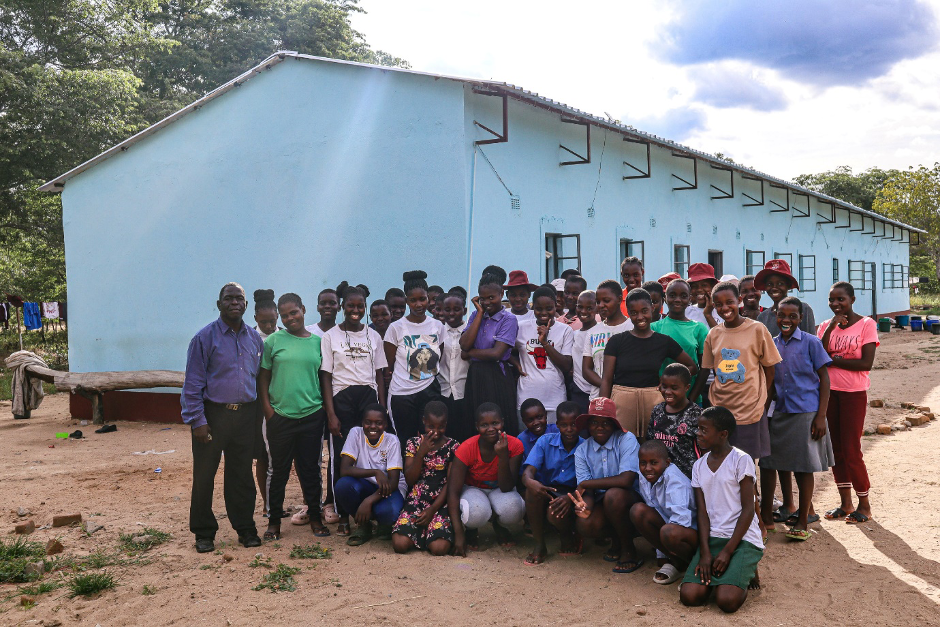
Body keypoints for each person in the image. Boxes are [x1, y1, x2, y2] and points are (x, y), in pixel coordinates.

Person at [182, 283, 264, 553]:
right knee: (204, 475)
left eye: (239, 298)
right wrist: (197, 420)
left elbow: (257, 380)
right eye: (228, 299)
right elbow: (192, 383)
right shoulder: (204, 338)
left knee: (241, 475)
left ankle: (245, 528)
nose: (234, 303)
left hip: (245, 416)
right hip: (213, 416)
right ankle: (204, 533)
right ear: (219, 304)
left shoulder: (255, 339)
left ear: (245, 305)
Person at [759, 297, 834, 540]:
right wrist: (763, 410)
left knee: (803, 467)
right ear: (775, 316)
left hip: (806, 412)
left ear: (800, 318)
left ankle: (803, 519)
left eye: (792, 316)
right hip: (779, 411)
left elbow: (825, 379)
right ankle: (767, 518)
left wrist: (821, 416)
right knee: (769, 462)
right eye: (782, 315)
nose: (786, 320)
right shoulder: (772, 343)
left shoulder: (811, 342)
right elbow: (770, 383)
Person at [259, 292, 330, 540]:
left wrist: (322, 410)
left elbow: (323, 377)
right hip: (280, 417)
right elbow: (263, 378)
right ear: (280, 316)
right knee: (278, 471)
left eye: (294, 312)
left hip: (312, 415)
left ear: (303, 309)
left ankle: (315, 518)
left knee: (310, 469)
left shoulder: (318, 342)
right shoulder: (273, 341)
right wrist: (269, 412)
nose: (291, 318)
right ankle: (274, 522)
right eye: (285, 315)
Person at [680, 407, 764, 613]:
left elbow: (748, 510)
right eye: (698, 429)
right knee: (690, 596)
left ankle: (744, 567)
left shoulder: (741, 460)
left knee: (726, 601)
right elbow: (702, 512)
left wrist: (727, 551)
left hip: (741, 538)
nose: (697, 434)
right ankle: (730, 574)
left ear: (723, 434)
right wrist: (706, 553)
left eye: (703, 430)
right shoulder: (698, 466)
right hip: (714, 538)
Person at [320, 282, 388, 536]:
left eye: (360, 306)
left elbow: (380, 374)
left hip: (368, 398)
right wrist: (331, 414)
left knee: (369, 454)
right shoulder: (331, 337)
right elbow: (326, 376)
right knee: (342, 456)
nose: (356, 310)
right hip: (342, 398)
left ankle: (369, 506)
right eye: (351, 306)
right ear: (342, 307)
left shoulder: (374, 336)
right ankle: (344, 514)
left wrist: (382, 407)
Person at [817, 282, 879, 524]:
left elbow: (866, 363)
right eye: (832, 300)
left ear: (852, 299)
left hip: (853, 394)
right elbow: (818, 355)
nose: (836, 304)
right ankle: (845, 503)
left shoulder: (867, 325)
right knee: (836, 450)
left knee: (852, 449)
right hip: (829, 393)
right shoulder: (825, 326)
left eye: (841, 299)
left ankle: (864, 505)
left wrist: (833, 360)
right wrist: (831, 328)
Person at [700, 281, 780, 461]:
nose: (725, 308)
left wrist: (762, 402)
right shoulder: (714, 334)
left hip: (749, 409)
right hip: (720, 408)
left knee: (746, 466)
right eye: (718, 305)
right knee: (723, 462)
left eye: (729, 302)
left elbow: (770, 370)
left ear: (740, 300)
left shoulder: (757, 329)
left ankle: (752, 491)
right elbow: (709, 368)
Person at [600, 288, 697, 437]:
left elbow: (692, 366)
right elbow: (606, 380)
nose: (640, 317)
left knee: (653, 448)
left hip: (653, 402)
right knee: (623, 446)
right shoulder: (616, 341)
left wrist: (667, 383)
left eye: (644, 311)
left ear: (652, 308)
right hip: (622, 402)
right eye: (634, 313)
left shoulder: (663, 341)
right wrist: (603, 412)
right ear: (628, 313)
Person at [569, 397, 643, 574]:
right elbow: (586, 491)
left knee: (614, 495)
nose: (599, 427)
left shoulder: (626, 439)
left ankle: (628, 548)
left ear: (614, 424)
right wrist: (585, 507)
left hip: (629, 498)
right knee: (586, 523)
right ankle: (616, 540)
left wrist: (586, 483)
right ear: (588, 425)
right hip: (603, 501)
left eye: (605, 422)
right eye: (594, 422)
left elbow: (626, 480)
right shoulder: (582, 450)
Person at [449, 403, 526, 554]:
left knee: (513, 509)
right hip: (473, 489)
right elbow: (453, 491)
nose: (491, 428)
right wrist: (458, 533)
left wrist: (503, 456)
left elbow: (506, 487)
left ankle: (499, 525)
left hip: (499, 488)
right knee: (476, 512)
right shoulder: (466, 448)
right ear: (477, 427)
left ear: (502, 422)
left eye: (495, 423)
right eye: (484, 424)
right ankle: (471, 529)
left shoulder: (515, 445)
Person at [384, 271, 446, 447]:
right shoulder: (395, 328)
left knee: (432, 441)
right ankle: (403, 475)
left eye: (423, 299)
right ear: (406, 300)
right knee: (404, 442)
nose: (419, 304)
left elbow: (438, 357)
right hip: (402, 395)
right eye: (413, 300)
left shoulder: (437, 326)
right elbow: (389, 365)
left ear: (428, 298)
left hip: (430, 391)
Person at [392, 401, 459, 555]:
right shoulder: (413, 443)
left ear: (446, 424)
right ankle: (424, 533)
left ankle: (432, 533)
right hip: (417, 498)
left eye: (441, 427)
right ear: (423, 421)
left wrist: (433, 509)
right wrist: (421, 453)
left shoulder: (453, 446)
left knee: (439, 549)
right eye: (430, 427)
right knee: (399, 545)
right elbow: (409, 479)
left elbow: (451, 483)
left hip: (440, 501)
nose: (435, 432)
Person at [522, 403, 584, 564]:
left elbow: (587, 483)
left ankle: (566, 534)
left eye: (574, 424)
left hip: (574, 493)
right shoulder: (545, 441)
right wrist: (530, 481)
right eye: (564, 425)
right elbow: (528, 472)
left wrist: (570, 498)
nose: (569, 429)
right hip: (549, 489)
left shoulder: (585, 446)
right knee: (531, 490)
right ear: (557, 425)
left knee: (554, 513)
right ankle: (539, 544)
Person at [336, 404, 407, 546]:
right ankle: (364, 526)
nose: (373, 426)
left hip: (388, 490)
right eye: (368, 422)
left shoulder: (392, 441)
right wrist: (376, 472)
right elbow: (344, 469)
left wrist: (368, 501)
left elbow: (393, 483)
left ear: (385, 425)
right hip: (365, 485)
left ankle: (384, 525)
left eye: (378, 423)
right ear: (362, 423)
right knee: (343, 486)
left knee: (390, 511)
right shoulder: (355, 433)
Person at [630, 440, 698, 585]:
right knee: (638, 511)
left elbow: (682, 522)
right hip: (669, 529)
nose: (647, 468)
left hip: (691, 533)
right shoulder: (644, 476)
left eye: (654, 463)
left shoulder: (674, 480)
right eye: (643, 463)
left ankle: (694, 565)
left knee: (669, 532)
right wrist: (662, 553)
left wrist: (667, 545)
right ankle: (676, 562)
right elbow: (654, 509)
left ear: (667, 462)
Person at [460, 273, 519, 435]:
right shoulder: (475, 315)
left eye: (491, 297)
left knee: (498, 423)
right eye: (483, 299)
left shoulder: (509, 319)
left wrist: (471, 353)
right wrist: (479, 314)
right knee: (476, 423)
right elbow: (464, 344)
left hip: (497, 375)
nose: (487, 303)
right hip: (476, 375)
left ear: (501, 295)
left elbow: (496, 353)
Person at [515, 285, 574, 426]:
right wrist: (516, 363)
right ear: (532, 307)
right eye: (538, 309)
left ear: (556, 307)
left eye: (549, 308)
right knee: (527, 442)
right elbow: (504, 350)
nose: (544, 313)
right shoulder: (521, 327)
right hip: (526, 396)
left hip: (555, 397)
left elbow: (566, 365)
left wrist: (545, 343)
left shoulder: (565, 330)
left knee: (554, 442)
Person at [652, 279, 708, 404]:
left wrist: (690, 400)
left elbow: (704, 369)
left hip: (690, 399)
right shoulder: (654, 328)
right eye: (672, 295)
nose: (677, 299)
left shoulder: (699, 329)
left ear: (689, 299)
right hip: (660, 399)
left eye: (683, 296)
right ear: (665, 298)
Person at [647, 363, 703, 478]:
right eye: (664, 386)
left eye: (674, 388)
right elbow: (650, 441)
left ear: (687, 387)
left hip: (687, 478)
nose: (667, 391)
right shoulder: (657, 410)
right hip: (660, 477)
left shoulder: (696, 415)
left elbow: (704, 450)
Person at [252, 288, 279, 517]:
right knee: (263, 455)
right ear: (255, 319)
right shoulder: (250, 338)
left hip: (284, 403)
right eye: (264, 322)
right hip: (258, 406)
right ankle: (266, 502)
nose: (269, 327)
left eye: (272, 321)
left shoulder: (285, 335)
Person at [582, 280, 632, 400]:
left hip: (625, 396)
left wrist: (617, 388)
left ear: (620, 299)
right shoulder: (593, 332)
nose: (601, 305)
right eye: (598, 302)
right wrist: (605, 385)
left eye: (606, 301)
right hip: (598, 398)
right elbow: (586, 369)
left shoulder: (631, 327)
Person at [438, 290, 471, 441]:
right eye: (447, 309)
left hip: (464, 391)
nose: (452, 313)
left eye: (457, 309)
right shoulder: (437, 331)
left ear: (464, 310)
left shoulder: (470, 330)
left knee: (463, 434)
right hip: (442, 391)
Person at [756, 259, 816, 336]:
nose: (774, 288)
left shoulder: (803, 309)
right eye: (770, 284)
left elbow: (811, 342)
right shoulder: (763, 317)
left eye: (780, 283)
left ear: (788, 285)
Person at [570, 290, 598, 414]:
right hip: (578, 390)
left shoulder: (600, 332)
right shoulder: (574, 334)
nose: (583, 311)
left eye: (589, 308)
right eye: (580, 307)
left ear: (596, 308)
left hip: (598, 389)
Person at [517, 398, 560, 468]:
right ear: (524, 421)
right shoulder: (522, 440)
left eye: (539, 417)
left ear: (545, 415)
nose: (536, 423)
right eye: (530, 420)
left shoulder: (557, 431)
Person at [686, 263, 722, 328]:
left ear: (713, 287)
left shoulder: (721, 310)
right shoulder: (686, 312)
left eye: (704, 285)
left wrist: (708, 314)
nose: (699, 289)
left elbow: (720, 336)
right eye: (694, 286)